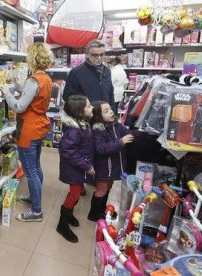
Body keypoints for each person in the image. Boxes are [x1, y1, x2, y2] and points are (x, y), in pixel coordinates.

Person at [1, 42, 53, 222]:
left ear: (32, 59)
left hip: (28, 130)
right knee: (36, 167)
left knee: (30, 171)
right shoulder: (45, 78)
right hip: (40, 126)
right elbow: (32, 93)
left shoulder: (33, 80)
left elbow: (19, 106)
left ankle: (36, 211)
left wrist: (7, 92)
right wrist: (16, 85)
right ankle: (34, 198)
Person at [62, 39, 116, 196]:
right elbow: (68, 97)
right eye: (95, 55)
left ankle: (93, 178)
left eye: (102, 55)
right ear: (87, 54)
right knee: (82, 151)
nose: (98, 58)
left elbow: (110, 93)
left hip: (102, 119)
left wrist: (112, 112)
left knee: (98, 150)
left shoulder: (107, 71)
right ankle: (79, 182)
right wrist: (85, 109)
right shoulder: (76, 72)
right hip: (84, 119)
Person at [87, 101, 138, 221]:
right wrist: (120, 142)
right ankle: (94, 214)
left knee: (108, 187)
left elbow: (128, 134)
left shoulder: (116, 126)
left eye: (110, 109)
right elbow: (102, 148)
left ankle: (102, 210)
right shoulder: (97, 130)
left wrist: (140, 134)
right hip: (103, 168)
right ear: (98, 116)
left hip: (113, 167)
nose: (111, 112)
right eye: (106, 111)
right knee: (101, 190)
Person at [57, 95, 94, 243]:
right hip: (74, 168)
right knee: (74, 194)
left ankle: (69, 214)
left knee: (76, 194)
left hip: (79, 167)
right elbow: (69, 152)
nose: (92, 108)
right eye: (89, 106)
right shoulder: (74, 131)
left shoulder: (83, 123)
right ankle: (62, 224)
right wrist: (87, 166)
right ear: (80, 113)